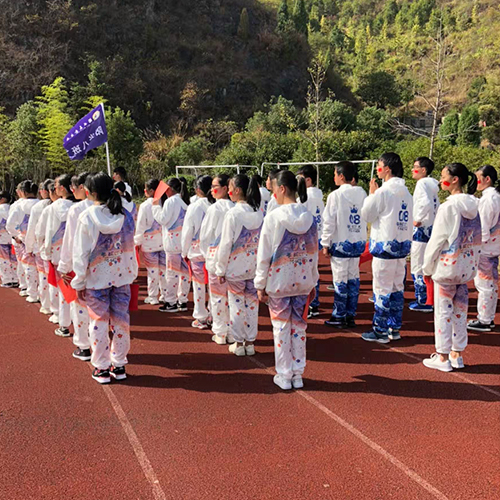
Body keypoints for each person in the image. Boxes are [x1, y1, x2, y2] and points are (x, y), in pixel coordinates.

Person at [255, 170, 318, 390]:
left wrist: (260, 284)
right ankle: (298, 373)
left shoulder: (273, 217)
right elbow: (313, 253)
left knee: (281, 328)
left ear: (282, 189)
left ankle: (284, 374)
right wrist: (313, 279)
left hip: (279, 282)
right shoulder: (309, 217)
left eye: (274, 188)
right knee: (299, 327)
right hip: (302, 280)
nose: (273, 193)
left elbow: (264, 254)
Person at [72, 172, 138, 384]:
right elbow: (130, 246)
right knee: (121, 321)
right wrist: (131, 272)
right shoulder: (125, 215)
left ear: (89, 192)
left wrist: (79, 280)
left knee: (98, 323)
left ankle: (101, 367)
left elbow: (81, 254)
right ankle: (119, 364)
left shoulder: (87, 217)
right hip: (122, 277)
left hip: (96, 279)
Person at [422, 163, 481, 372]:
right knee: (460, 311)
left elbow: (437, 241)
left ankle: (443, 356)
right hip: (466, 265)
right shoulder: (475, 205)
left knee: (443, 312)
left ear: (455, 179)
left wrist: (426, 268)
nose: (440, 180)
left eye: (443, 176)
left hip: (447, 267)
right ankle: (457, 353)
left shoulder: (448, 207)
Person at [361, 153, 413, 343]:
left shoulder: (383, 192)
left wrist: (372, 194)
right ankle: (394, 327)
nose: (377, 169)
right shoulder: (407, 192)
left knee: (381, 289)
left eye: (379, 166)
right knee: (397, 288)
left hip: (384, 248)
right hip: (401, 247)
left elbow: (367, 215)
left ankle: (380, 330)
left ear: (387, 169)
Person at [215, 174, 262, 356]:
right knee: (252, 306)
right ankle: (250, 343)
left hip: (236, 269)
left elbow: (225, 244)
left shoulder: (233, 214)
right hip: (254, 267)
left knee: (236, 306)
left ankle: (239, 343)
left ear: (237, 190)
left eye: (230, 188)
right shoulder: (258, 213)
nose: (228, 191)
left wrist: (220, 269)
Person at [321, 161, 367, 328]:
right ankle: (350, 314)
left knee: (340, 280)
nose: (334, 177)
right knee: (353, 279)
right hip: (357, 243)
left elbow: (329, 221)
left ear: (341, 176)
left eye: (335, 174)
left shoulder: (335, 195)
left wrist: (325, 243)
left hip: (341, 243)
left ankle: (339, 315)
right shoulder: (362, 193)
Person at [57, 172, 93, 361]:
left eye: (74, 187)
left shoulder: (77, 209)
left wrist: (64, 265)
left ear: (83, 188)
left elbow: (69, 240)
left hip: (80, 264)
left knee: (79, 305)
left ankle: (84, 346)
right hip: (104, 266)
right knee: (99, 306)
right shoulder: (112, 207)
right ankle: (101, 345)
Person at [199, 174, 234, 344]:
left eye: (215, 186)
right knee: (233, 298)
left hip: (216, 256)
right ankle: (233, 333)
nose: (212, 190)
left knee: (218, 297)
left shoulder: (214, 209)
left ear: (225, 188)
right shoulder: (235, 208)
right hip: (233, 258)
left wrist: (207, 253)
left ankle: (220, 332)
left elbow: (205, 235)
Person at [468, 165, 500, 332]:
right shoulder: (495, 197)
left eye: (478, 178)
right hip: (494, 246)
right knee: (491, 284)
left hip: (485, 248)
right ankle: (488, 317)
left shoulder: (488, 199)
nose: (476, 182)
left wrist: (476, 246)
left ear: (487, 179)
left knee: (484, 284)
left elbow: (483, 228)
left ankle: (485, 319)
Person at [44, 174, 77, 336]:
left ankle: (64, 324)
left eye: (56, 186)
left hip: (60, 254)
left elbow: (49, 232)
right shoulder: (81, 206)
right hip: (79, 254)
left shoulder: (54, 207)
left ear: (62, 188)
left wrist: (47, 252)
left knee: (64, 289)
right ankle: (83, 326)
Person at [152, 178, 190, 313]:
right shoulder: (184, 201)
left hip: (172, 244)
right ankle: (182, 300)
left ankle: (171, 302)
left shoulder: (170, 201)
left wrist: (155, 206)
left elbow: (162, 219)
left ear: (169, 189)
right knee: (184, 274)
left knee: (172, 273)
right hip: (183, 243)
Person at [181, 175, 214, 329]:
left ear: (198, 189)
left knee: (199, 286)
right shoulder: (217, 205)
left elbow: (187, 231)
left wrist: (184, 251)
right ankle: (214, 315)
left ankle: (201, 316)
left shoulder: (195, 207)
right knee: (214, 287)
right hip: (213, 252)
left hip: (197, 252)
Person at [410, 157, 439, 312]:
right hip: (431, 228)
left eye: (415, 167)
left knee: (417, 265)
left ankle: (423, 300)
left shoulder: (422, 184)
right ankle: (430, 299)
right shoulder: (433, 185)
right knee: (429, 265)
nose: (412, 169)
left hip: (421, 229)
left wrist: (418, 219)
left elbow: (425, 203)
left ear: (423, 170)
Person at [297, 165, 324, 318]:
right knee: (313, 270)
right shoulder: (319, 196)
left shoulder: (304, 197)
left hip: (306, 239)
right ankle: (314, 303)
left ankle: (309, 304)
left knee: (305, 272)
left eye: (299, 178)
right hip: (317, 237)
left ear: (308, 180)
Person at [6, 180, 39, 302]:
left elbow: (9, 224)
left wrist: (16, 236)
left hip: (24, 241)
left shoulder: (18, 206)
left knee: (28, 267)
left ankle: (31, 292)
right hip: (39, 241)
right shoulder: (42, 204)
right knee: (41, 269)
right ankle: (40, 292)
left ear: (23, 192)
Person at [135, 179, 167, 305]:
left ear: (151, 191)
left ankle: (153, 296)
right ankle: (165, 294)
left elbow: (141, 225)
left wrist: (137, 241)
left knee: (152, 271)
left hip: (149, 244)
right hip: (163, 242)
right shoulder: (164, 203)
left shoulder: (145, 206)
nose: (144, 191)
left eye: (146, 189)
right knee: (164, 271)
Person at [25, 180, 52, 311]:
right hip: (61, 250)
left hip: (42, 248)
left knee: (44, 277)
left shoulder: (39, 207)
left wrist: (29, 247)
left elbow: (33, 229)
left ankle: (47, 305)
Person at [37, 182, 60, 317]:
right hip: (71, 254)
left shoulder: (48, 209)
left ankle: (56, 312)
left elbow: (39, 232)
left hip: (52, 253)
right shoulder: (76, 207)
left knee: (52, 282)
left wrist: (39, 246)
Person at [0, 191, 17, 287]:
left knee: (3, 260)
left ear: (2, 199)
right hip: (13, 238)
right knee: (14, 259)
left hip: (2, 239)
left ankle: (7, 280)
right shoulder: (12, 208)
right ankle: (16, 278)